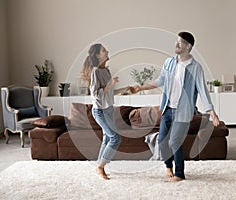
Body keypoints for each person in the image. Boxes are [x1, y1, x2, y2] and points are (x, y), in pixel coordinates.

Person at [133, 31, 220, 182]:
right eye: (176, 41)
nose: (176, 44)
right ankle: (168, 166)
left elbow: (202, 90)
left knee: (174, 142)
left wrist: (212, 113)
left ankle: (179, 174)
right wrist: (141, 88)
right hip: (167, 108)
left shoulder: (196, 68)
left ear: (188, 46)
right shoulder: (169, 62)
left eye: (180, 42)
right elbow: (159, 81)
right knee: (161, 140)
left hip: (183, 112)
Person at [84, 43, 131, 180]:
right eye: (104, 50)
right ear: (98, 55)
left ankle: (100, 166)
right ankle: (100, 167)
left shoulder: (106, 71)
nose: (107, 51)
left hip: (109, 109)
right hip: (100, 111)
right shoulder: (95, 72)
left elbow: (109, 92)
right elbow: (95, 94)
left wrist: (124, 89)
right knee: (115, 138)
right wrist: (110, 85)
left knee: (107, 138)